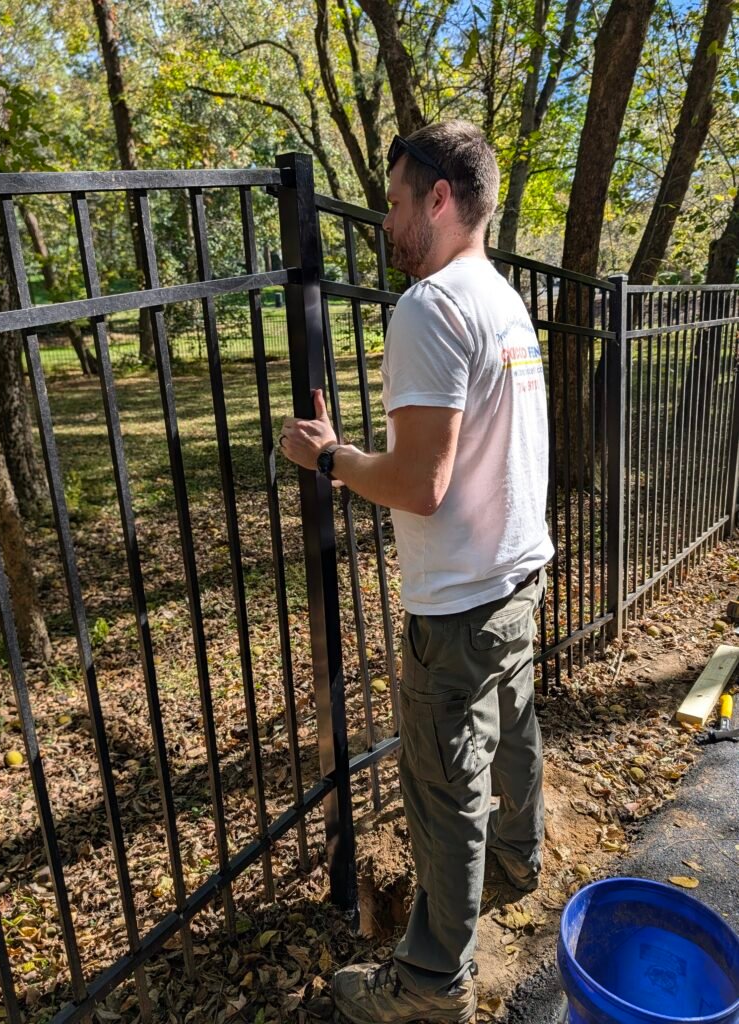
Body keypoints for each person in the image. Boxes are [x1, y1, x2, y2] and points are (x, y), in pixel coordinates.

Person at [278, 119, 553, 1024]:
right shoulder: (503, 302)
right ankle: (519, 857)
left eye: (395, 202)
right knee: (512, 728)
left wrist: (330, 457)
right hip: (518, 576)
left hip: (460, 602)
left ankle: (433, 983)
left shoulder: (430, 307)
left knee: (443, 789)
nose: (387, 222)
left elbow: (419, 483)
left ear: (439, 199)